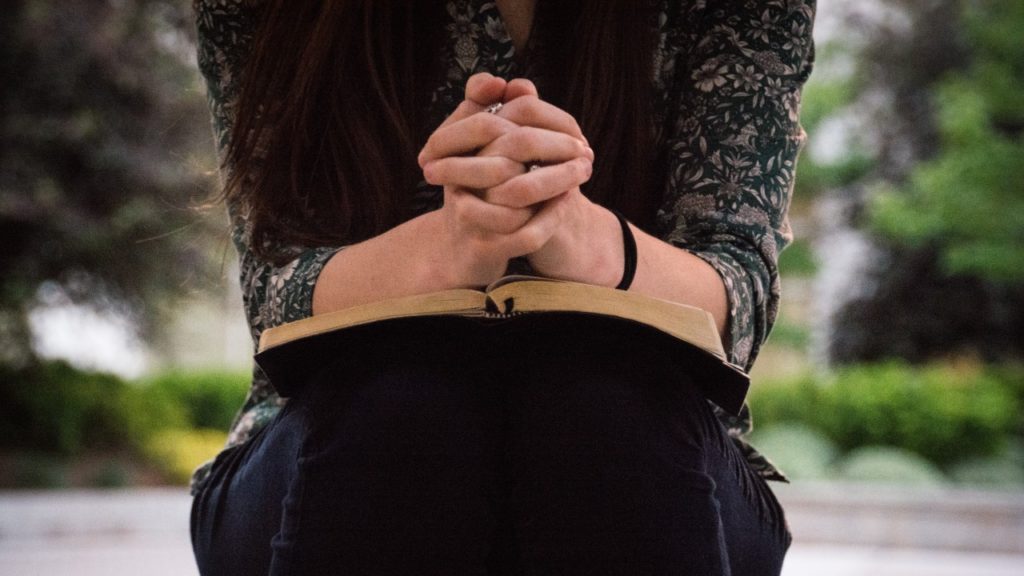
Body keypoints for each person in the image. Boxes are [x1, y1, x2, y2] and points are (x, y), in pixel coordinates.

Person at [189, 0, 815, 574]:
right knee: (403, 413)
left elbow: (739, 301)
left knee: (605, 414)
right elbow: (273, 295)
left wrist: (575, 230)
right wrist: (450, 244)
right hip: (333, 443)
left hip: (652, 452)